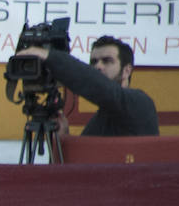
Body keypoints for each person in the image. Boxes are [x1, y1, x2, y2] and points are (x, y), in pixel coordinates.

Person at [20, 35, 159, 137]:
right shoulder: (100, 118)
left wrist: (50, 57)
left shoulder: (140, 102)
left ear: (127, 70)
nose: (98, 66)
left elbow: (101, 88)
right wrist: (64, 140)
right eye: (94, 62)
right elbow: (83, 169)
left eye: (107, 61)